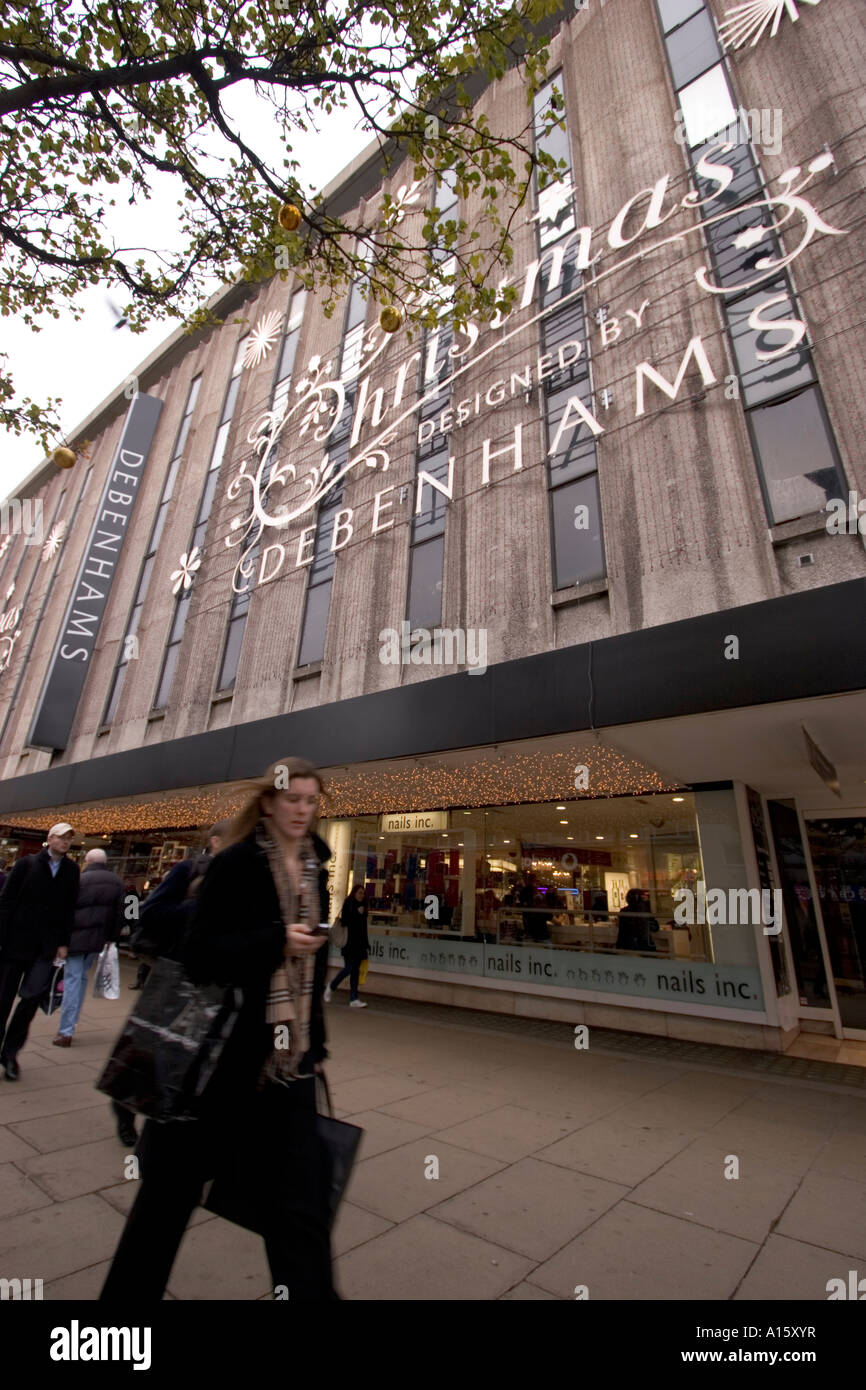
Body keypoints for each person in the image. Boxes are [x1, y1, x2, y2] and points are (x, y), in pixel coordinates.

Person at [99, 759, 337, 1302]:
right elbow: (201, 955)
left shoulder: (315, 868)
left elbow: (313, 971)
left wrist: (315, 1047)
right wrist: (274, 939)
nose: (303, 810)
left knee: (301, 1206)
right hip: (214, 1062)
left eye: (311, 801)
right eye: (293, 799)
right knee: (166, 1201)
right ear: (270, 803)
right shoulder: (234, 864)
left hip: (285, 1061)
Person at [0, 824, 80, 1081]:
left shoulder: (71, 870)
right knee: (2, 1000)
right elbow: (6, 901)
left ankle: (10, 1052)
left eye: (69, 839)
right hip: (15, 944)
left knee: (30, 1001)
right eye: (61, 837)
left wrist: (64, 942)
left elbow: (69, 909)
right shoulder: (27, 865)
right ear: (50, 838)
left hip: (45, 948)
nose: (65, 842)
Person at [128, 822, 229, 988]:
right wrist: (200, 906)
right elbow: (150, 912)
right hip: (179, 969)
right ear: (216, 842)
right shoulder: (188, 869)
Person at [53, 848, 125, 1048]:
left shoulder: (79, 880)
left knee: (73, 980)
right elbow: (125, 912)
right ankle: (71, 1022)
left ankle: (66, 1030)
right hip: (97, 940)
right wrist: (112, 938)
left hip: (75, 940)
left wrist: (60, 940)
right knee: (81, 977)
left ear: (87, 861)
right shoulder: (118, 882)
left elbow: (65, 911)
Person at [325, 884, 369, 1007]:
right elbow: (345, 922)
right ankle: (332, 986)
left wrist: (366, 944)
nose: (361, 895)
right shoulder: (349, 904)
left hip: (359, 944)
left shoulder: (364, 907)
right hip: (349, 943)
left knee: (355, 970)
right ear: (354, 893)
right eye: (359, 892)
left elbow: (363, 928)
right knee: (349, 968)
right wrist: (356, 913)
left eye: (363, 893)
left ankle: (354, 998)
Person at [616, 887, 660, 952]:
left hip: (628, 946)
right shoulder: (645, 911)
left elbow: (621, 931)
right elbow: (655, 928)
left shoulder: (624, 911)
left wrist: (618, 946)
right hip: (644, 946)